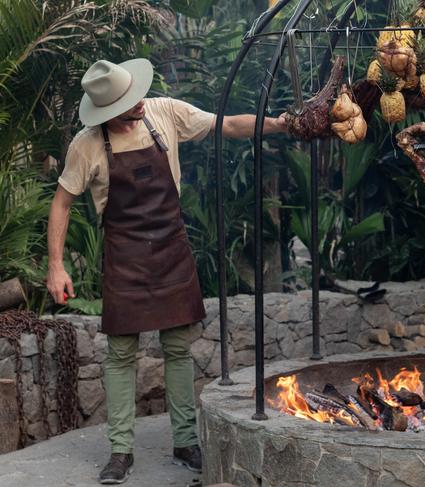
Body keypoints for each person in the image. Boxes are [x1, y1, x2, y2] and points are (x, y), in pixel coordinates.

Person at [46, 58, 287, 485]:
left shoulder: (163, 113)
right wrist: (56, 265)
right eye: (126, 103)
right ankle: (121, 451)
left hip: (172, 250)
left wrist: (283, 124)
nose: (137, 103)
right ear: (106, 111)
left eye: (136, 95)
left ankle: (185, 441)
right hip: (125, 258)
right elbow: (61, 203)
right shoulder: (86, 145)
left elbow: (228, 125)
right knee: (121, 356)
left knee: (178, 348)